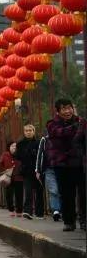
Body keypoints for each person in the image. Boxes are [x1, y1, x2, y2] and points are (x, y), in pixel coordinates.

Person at [44, 98, 86, 232]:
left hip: (79, 163)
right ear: (58, 111)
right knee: (66, 194)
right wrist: (77, 126)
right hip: (62, 164)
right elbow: (59, 133)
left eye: (69, 108)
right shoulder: (52, 124)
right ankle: (69, 221)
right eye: (64, 108)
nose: (68, 111)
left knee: (84, 193)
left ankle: (84, 220)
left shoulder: (81, 122)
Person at [15, 124, 44, 219]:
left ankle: (39, 213)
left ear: (33, 131)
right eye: (26, 131)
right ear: (24, 132)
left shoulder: (39, 142)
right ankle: (28, 211)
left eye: (30, 130)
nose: (28, 132)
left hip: (38, 170)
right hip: (26, 171)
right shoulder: (20, 143)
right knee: (28, 191)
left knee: (39, 191)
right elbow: (17, 156)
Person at [35, 132, 62, 222]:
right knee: (53, 190)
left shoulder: (64, 137)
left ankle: (63, 210)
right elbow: (40, 154)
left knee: (62, 189)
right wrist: (38, 170)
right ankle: (56, 211)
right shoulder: (45, 139)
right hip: (49, 169)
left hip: (62, 168)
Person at [0, 141, 24, 217]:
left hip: (19, 177)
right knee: (9, 194)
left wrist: (22, 170)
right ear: (9, 147)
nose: (14, 147)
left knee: (19, 194)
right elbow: (0, 164)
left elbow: (24, 163)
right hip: (8, 177)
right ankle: (11, 210)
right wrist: (3, 170)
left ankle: (19, 211)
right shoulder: (5, 155)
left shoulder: (20, 155)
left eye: (15, 146)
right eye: (12, 146)